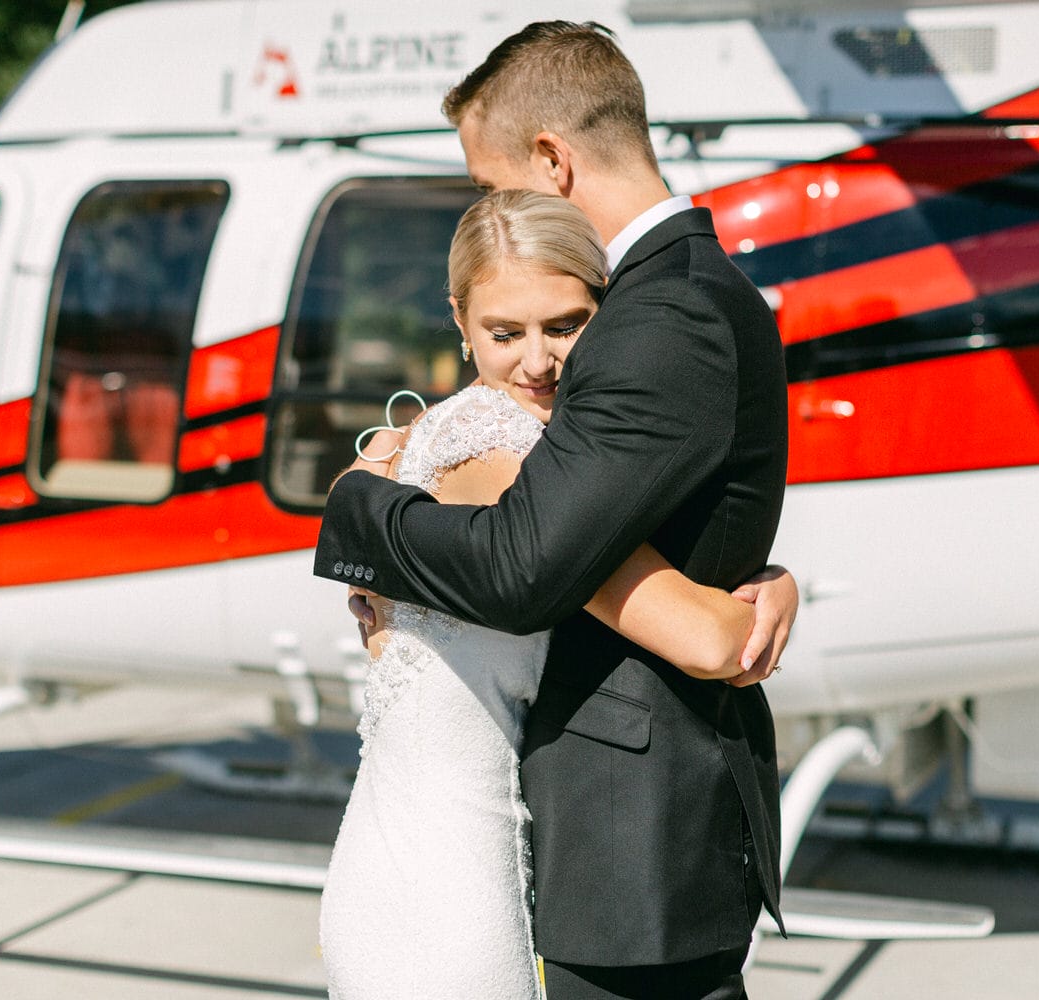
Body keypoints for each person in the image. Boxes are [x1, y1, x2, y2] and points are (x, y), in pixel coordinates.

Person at [315, 21, 795, 999]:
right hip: (568, 830)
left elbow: (527, 566)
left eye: (493, 187)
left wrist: (357, 512)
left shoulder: (662, 316)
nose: (495, 215)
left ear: (551, 159)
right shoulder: (690, 294)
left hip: (632, 832)